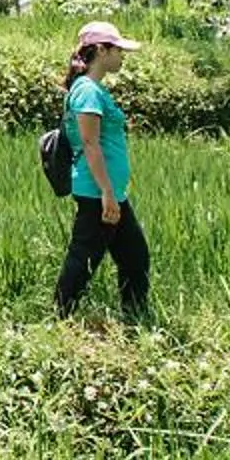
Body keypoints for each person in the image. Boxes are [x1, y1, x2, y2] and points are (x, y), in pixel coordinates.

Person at [54, 19, 150, 324]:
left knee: (135, 256)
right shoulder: (87, 91)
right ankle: (60, 317)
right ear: (100, 50)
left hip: (109, 192)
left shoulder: (92, 89)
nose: (122, 56)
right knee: (83, 259)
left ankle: (135, 318)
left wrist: (113, 192)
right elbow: (90, 143)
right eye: (117, 50)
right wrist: (107, 193)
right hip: (98, 192)